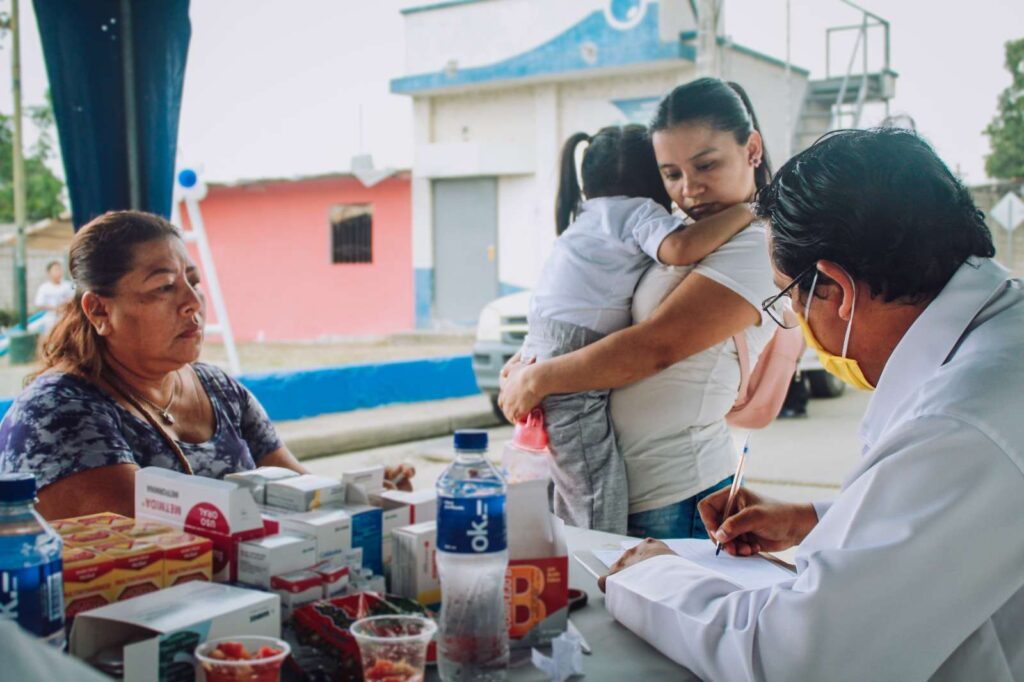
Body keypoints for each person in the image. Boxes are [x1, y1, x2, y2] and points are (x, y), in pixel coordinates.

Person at [600, 128, 1024, 680]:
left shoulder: (961, 422)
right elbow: (955, 521)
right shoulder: (997, 341)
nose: (793, 320)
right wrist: (816, 520)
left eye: (786, 296)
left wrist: (651, 575)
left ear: (837, 290)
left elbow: (799, 657)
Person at [501, 78, 779, 539]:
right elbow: (602, 314)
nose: (690, 188)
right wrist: (531, 359)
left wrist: (539, 379)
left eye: (706, 164)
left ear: (751, 148)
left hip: (677, 494)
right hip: (623, 486)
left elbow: (657, 346)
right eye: (671, 174)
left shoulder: (756, 241)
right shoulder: (677, 230)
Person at [0, 211, 413, 520]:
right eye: (164, 287)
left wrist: (361, 498)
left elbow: (299, 493)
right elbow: (150, 548)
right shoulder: (59, 412)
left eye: (193, 283)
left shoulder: (219, 389)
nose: (193, 304)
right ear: (99, 311)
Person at [34, 260, 74, 335]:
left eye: (59, 269)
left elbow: (74, 296)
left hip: (66, 316)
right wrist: (55, 309)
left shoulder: (69, 285)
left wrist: (66, 304)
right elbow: (39, 303)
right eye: (55, 269)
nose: (58, 271)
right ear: (49, 273)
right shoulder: (44, 287)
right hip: (50, 318)